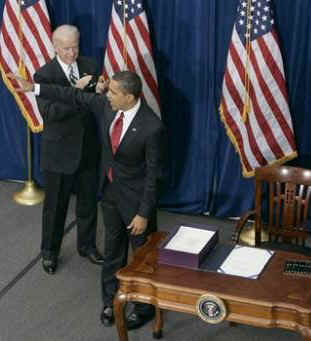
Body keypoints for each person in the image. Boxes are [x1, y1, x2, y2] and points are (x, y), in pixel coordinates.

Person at [9, 70, 165, 330]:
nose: (107, 95)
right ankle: (110, 301)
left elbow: (153, 176)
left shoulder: (152, 127)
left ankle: (143, 307)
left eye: (114, 92)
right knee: (113, 251)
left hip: (137, 204)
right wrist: (34, 88)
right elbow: (70, 94)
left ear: (129, 96)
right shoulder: (106, 106)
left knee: (142, 258)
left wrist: (144, 213)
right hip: (111, 194)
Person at [33, 25, 104, 275]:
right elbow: (50, 113)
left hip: (88, 148)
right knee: (55, 206)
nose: (72, 53)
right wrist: (79, 91)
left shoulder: (90, 65)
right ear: (55, 47)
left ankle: (87, 246)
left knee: (88, 202)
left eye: (75, 46)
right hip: (60, 152)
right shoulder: (44, 75)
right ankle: (50, 252)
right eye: (66, 48)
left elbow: (98, 104)